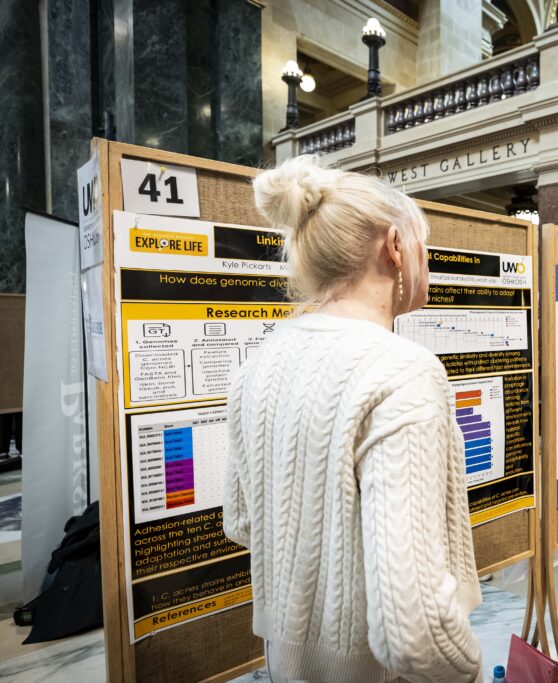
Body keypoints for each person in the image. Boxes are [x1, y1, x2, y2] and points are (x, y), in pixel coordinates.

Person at [224, 156, 483, 683]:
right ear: (395, 246)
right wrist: (470, 674)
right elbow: (414, 633)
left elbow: (242, 523)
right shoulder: (401, 371)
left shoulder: (260, 362)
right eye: (424, 245)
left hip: (287, 665)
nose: (428, 261)